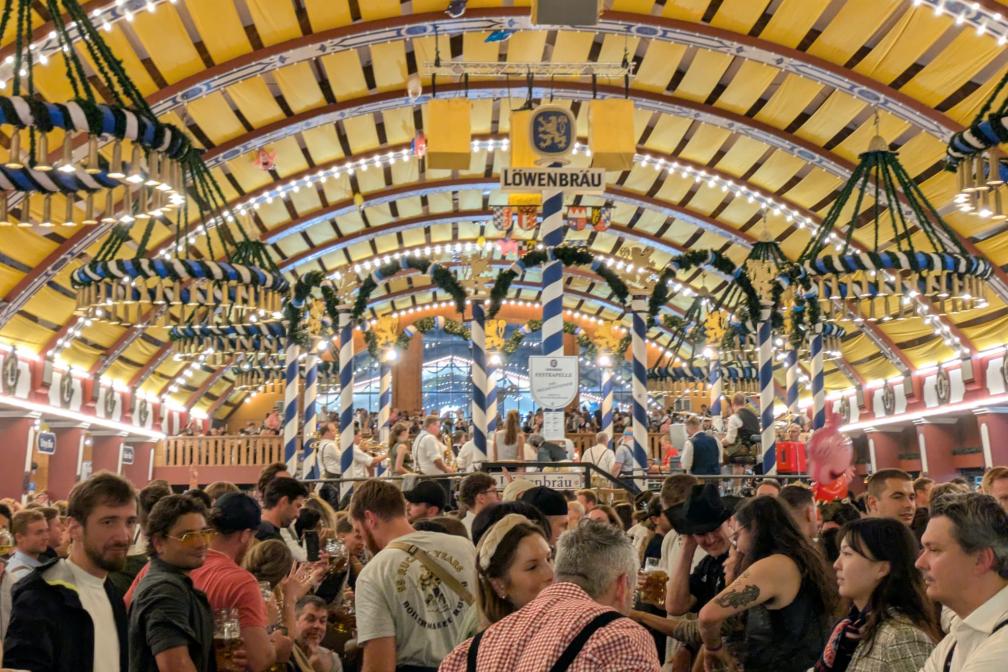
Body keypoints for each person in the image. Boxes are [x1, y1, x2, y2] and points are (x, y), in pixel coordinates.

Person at [440, 520, 661, 671]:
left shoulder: (470, 651)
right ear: (622, 585)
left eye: (548, 559)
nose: (547, 573)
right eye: (532, 567)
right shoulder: (620, 638)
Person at [3, 473, 136, 672]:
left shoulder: (112, 592)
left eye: (130, 522)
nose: (123, 535)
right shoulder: (41, 595)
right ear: (74, 528)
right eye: (109, 522)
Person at [697, 496, 837, 672]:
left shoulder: (774, 566)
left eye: (737, 536)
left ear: (754, 530)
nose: (737, 546)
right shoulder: (799, 559)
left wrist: (713, 648)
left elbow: (708, 616)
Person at [349, 479, 476, 671]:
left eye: (359, 531)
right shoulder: (464, 546)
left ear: (370, 518)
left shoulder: (373, 573)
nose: (364, 544)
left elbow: (379, 665)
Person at [129, 494, 247, 672]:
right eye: (188, 536)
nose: (201, 544)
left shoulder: (175, 583)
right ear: (159, 542)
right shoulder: (165, 591)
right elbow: (175, 666)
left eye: (205, 533)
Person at [816, 518, 939, 672]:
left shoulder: (901, 635)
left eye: (847, 554)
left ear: (882, 569)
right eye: (840, 553)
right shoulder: (852, 627)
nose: (837, 564)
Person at [917, 493, 1008, 672]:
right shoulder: (957, 637)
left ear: (981, 560)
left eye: (934, 550)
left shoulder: (1002, 647)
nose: (919, 563)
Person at [472, 514, 554, 628]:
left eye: (549, 559)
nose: (551, 573)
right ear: (498, 585)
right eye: (532, 567)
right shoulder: (491, 643)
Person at [665, 483, 733, 616]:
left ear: (729, 522)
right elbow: (675, 607)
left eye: (715, 529)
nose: (711, 539)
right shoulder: (708, 563)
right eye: (701, 533)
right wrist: (687, 547)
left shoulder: (745, 557)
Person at [291, 595, 343, 672]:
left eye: (322, 621)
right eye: (310, 619)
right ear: (295, 620)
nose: (317, 626)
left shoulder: (332, 659)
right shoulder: (285, 656)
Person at [257, 477, 309, 541]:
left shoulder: (259, 531)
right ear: (284, 502)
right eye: (297, 506)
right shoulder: (270, 538)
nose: (297, 515)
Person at [6, 509, 50, 583]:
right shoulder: (22, 575)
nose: (46, 537)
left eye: (47, 531)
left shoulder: (13, 562)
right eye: (39, 533)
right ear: (19, 537)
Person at [721, 393, 761, 467]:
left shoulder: (735, 417)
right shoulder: (754, 416)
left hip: (741, 450)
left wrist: (721, 442)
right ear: (744, 403)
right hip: (755, 450)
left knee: (720, 455)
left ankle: (719, 477)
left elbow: (730, 440)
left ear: (732, 403)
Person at [458, 472, 500, 537]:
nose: (499, 496)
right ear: (481, 498)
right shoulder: (470, 530)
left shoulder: (463, 525)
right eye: (494, 491)